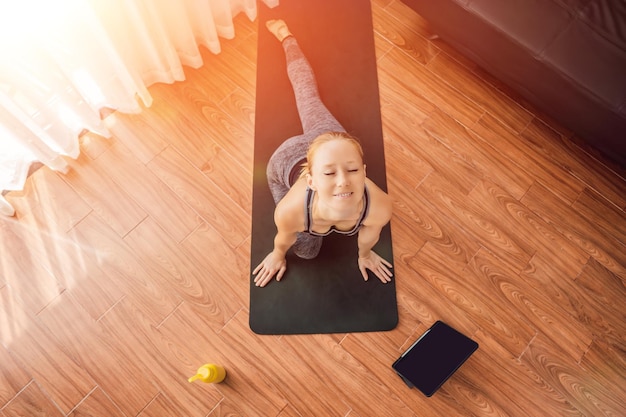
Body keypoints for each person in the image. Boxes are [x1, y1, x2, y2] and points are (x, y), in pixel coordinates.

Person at [253, 19, 393, 287]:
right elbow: (283, 238)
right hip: (288, 159)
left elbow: (370, 234)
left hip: (327, 141)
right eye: (329, 173)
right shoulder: (291, 212)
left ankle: (287, 36)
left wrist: (364, 255)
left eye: (352, 170)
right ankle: (286, 36)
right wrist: (277, 254)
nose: (343, 180)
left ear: (364, 172)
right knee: (307, 251)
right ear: (312, 180)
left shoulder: (380, 206)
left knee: (309, 97)